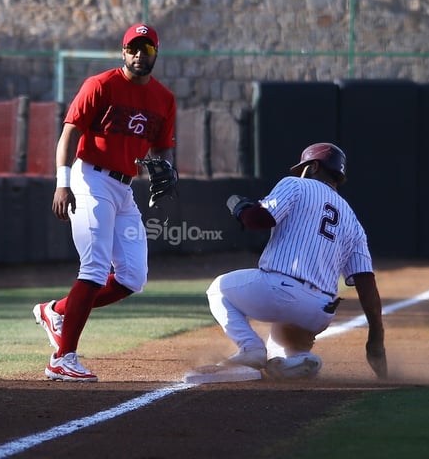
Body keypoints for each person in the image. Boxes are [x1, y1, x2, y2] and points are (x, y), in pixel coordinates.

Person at [33, 23, 177, 381]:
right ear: (123, 51)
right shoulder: (100, 85)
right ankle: (62, 359)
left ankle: (57, 312)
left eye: (147, 48)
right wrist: (62, 184)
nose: (139, 54)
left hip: (124, 187)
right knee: (95, 269)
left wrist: (165, 170)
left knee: (132, 277)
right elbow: (69, 133)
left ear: (156, 53)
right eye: (133, 48)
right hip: (90, 178)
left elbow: (162, 147)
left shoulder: (164, 98)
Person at [205, 142, 387, 380]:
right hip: (319, 311)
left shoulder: (296, 185)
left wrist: (240, 209)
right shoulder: (353, 221)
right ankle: (298, 359)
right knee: (279, 351)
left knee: (218, 290)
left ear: (313, 167)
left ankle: (250, 347)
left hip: (280, 291)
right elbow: (366, 284)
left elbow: (259, 220)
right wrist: (376, 335)